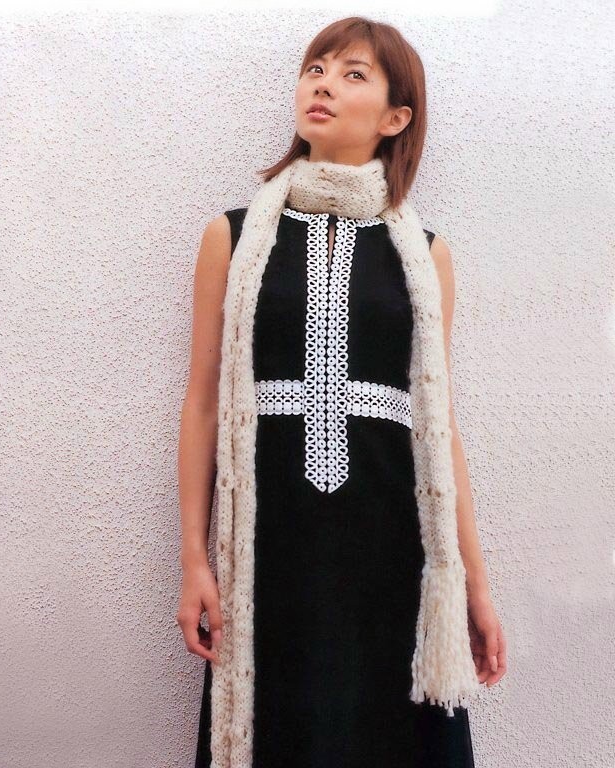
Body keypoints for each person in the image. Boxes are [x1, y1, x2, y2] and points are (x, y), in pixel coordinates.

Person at [175, 16, 507, 768]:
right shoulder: (232, 237)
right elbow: (202, 405)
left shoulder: (425, 254)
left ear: (396, 118)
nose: (323, 84)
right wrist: (194, 560)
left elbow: (438, 429)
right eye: (316, 68)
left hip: (394, 554)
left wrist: (475, 588)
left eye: (353, 73)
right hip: (271, 550)